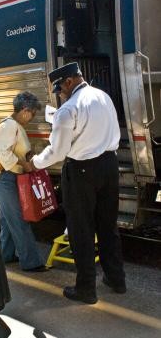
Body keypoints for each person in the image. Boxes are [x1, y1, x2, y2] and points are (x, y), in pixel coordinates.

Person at [31, 62, 126, 304]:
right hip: (110, 166)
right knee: (108, 225)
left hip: (82, 170)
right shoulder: (103, 96)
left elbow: (58, 151)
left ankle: (86, 289)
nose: (60, 94)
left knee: (81, 229)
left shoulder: (68, 109)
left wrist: (36, 162)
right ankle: (117, 279)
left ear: (69, 81)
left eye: (60, 89)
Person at [0, 91, 46, 272]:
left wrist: (27, 157)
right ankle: (31, 262)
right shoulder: (10, 126)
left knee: (8, 219)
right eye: (33, 114)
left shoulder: (13, 125)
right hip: (4, 177)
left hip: (5, 177)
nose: (32, 118)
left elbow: (13, 150)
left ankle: (6, 255)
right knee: (18, 219)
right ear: (25, 110)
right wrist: (25, 165)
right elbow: (2, 153)